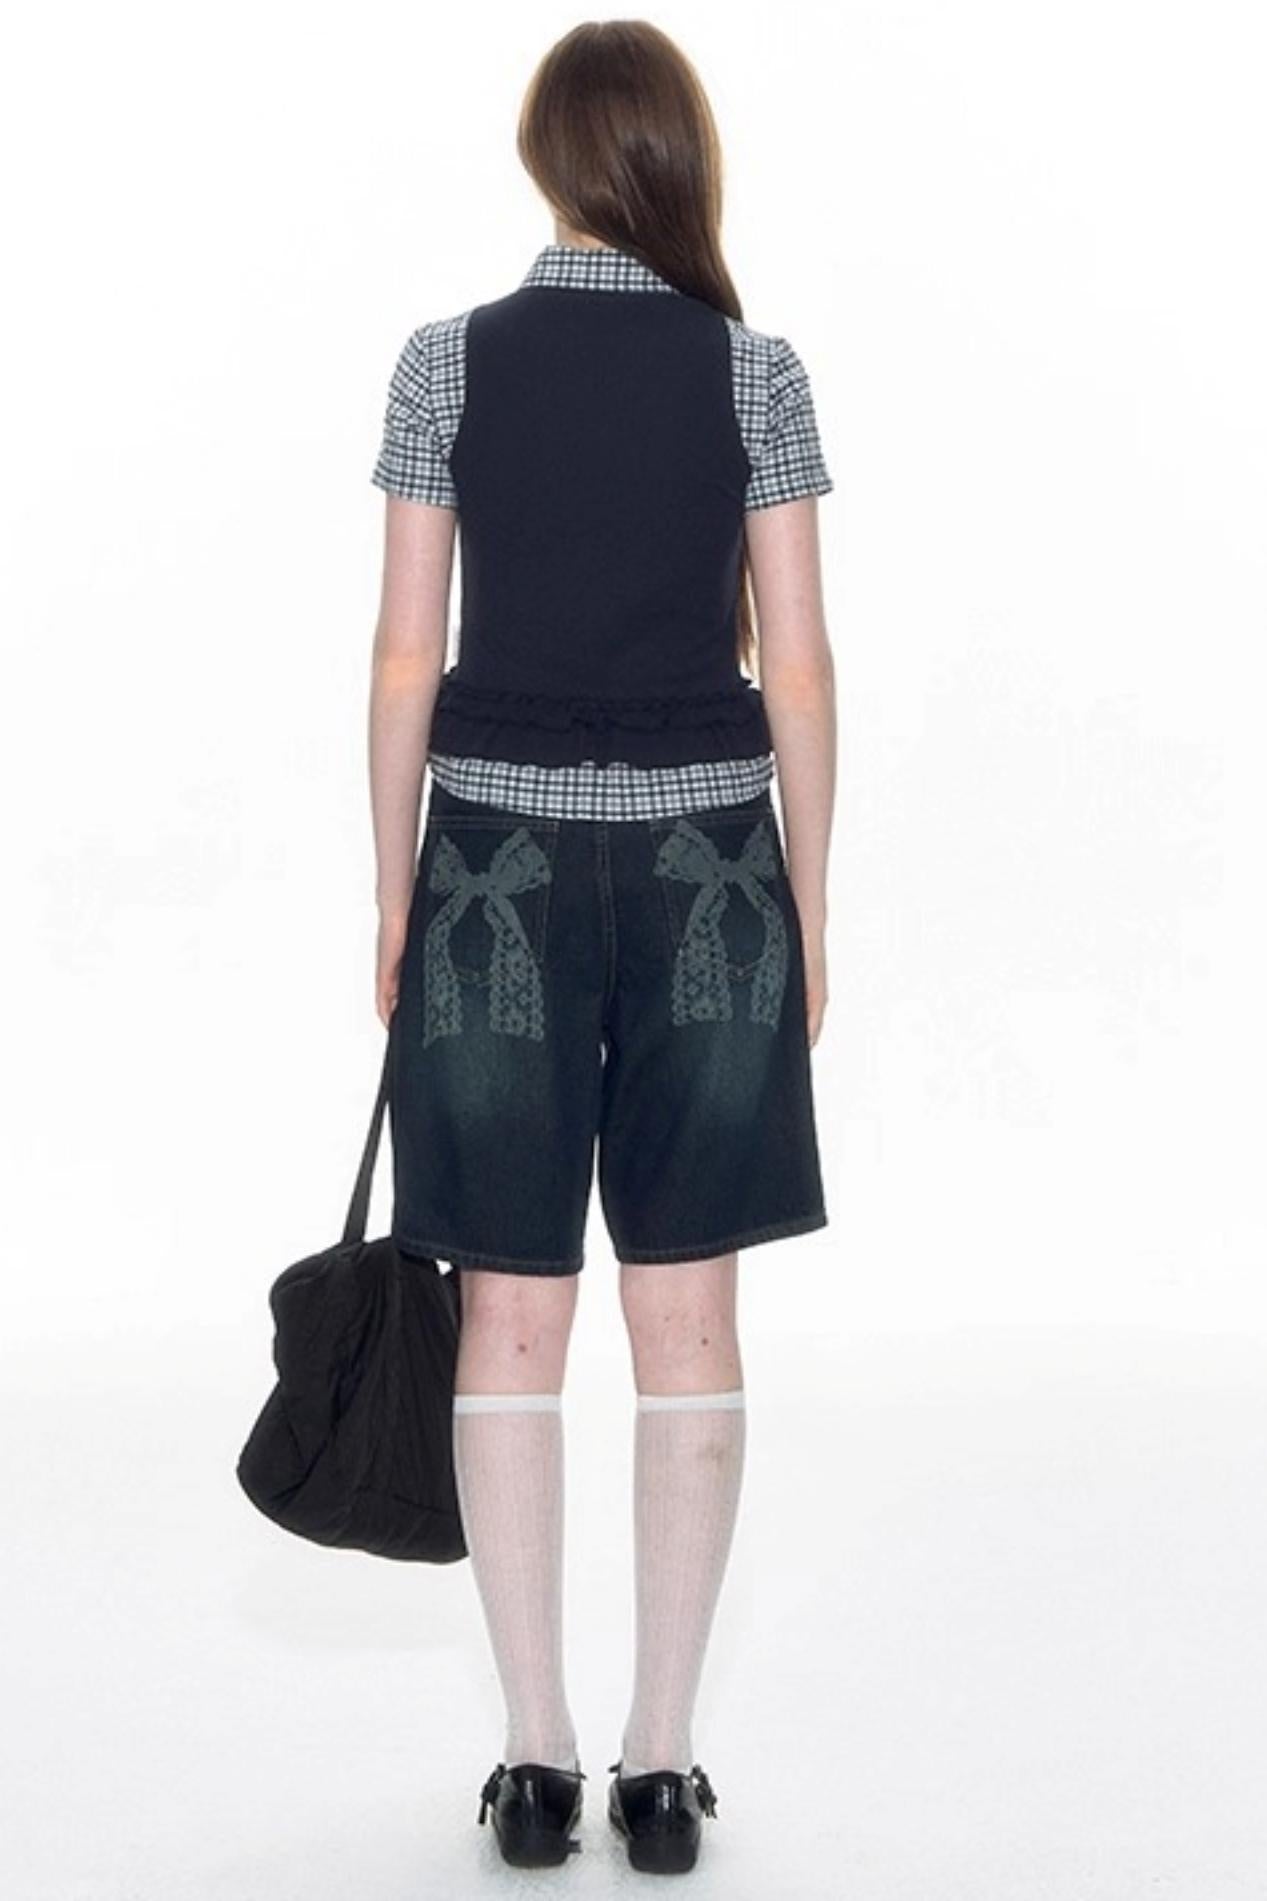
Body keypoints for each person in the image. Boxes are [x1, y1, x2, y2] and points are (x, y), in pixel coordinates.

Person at [367, 19, 836, 1876]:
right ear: (675, 158)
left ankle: (533, 1755)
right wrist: (816, 892)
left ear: (548, 158)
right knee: (690, 1310)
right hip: (715, 867)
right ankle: (662, 1762)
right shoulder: (756, 371)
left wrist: (391, 889)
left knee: (508, 1310)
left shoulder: (445, 362)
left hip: (491, 859)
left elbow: (405, 655)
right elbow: (798, 663)